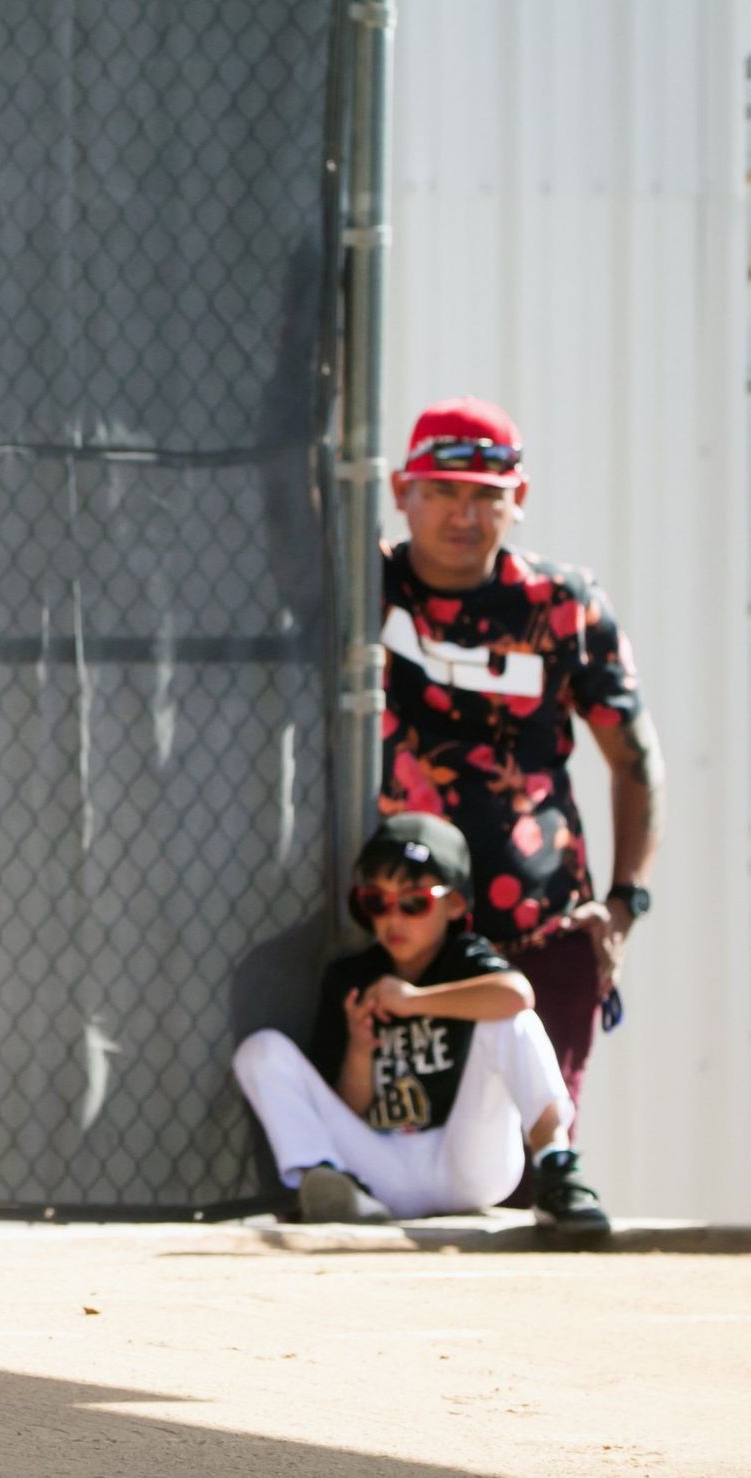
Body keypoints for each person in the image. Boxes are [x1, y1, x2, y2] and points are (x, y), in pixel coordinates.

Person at [380, 397, 663, 1126]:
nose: (462, 516)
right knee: (402, 1160)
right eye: (441, 491)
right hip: (396, 931)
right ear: (401, 493)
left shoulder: (563, 606)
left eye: (486, 496)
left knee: (534, 1164)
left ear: (520, 500)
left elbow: (634, 760)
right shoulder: (358, 590)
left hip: (540, 933)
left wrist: (625, 904)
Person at [232, 814, 609, 1230]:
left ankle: (557, 1169)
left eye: (414, 902)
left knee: (510, 1020)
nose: (394, 919)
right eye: (378, 902)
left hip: (466, 1163)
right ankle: (332, 1189)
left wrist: (414, 1002)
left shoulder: (462, 957)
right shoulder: (352, 977)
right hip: (382, 1171)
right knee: (260, 1051)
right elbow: (348, 1111)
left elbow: (518, 994)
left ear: (454, 904)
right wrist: (359, 1049)